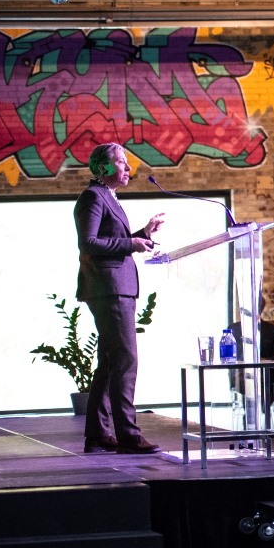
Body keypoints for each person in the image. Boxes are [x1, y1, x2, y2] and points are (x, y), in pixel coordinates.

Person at [74, 143, 165, 454]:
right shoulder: (92, 197)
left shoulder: (107, 197)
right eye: (121, 162)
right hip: (108, 288)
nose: (129, 168)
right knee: (126, 360)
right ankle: (128, 435)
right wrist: (131, 244)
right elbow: (88, 242)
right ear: (103, 168)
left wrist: (143, 233)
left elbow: (111, 238)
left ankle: (99, 433)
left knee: (111, 362)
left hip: (115, 287)